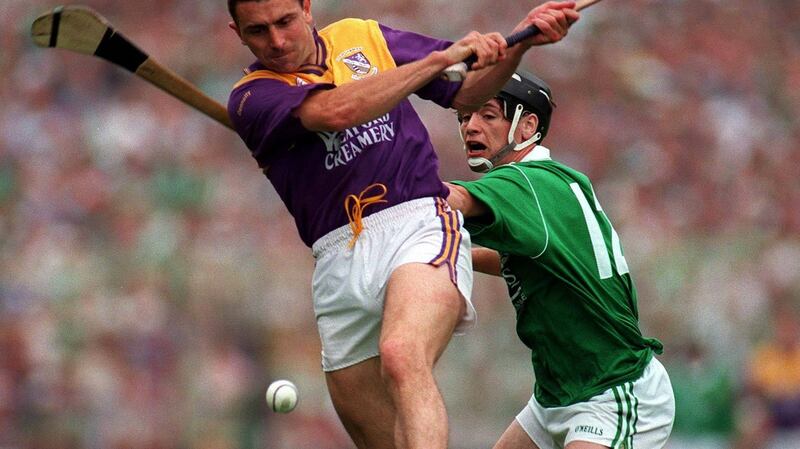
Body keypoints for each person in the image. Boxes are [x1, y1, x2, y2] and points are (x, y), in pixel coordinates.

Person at [225, 1, 580, 448]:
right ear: (237, 32)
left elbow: (467, 94)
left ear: (307, 9)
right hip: (336, 258)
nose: (276, 41)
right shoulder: (250, 97)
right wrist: (435, 62)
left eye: (284, 22)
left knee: (402, 354)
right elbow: (336, 112)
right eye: (258, 31)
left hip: (416, 222)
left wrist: (520, 45)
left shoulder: (361, 37)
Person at [446, 70, 675, 449]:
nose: (470, 126)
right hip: (555, 395)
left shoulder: (528, 183)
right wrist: (456, 253)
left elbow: (450, 201)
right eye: (464, 117)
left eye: (487, 115)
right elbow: (516, 259)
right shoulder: (544, 185)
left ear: (527, 126)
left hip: (611, 389)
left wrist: (386, 185)